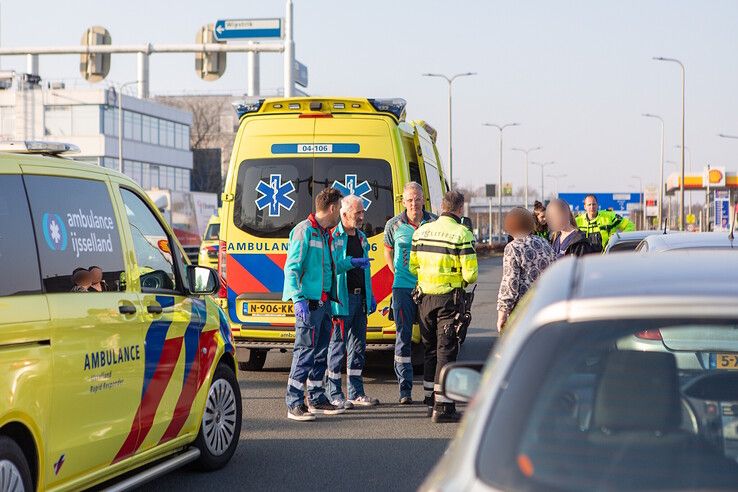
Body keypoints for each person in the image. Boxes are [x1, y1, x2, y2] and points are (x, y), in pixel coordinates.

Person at [283, 188, 371, 422]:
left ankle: (316, 397)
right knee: (304, 352)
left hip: (324, 304)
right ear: (332, 208)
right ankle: (294, 403)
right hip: (309, 304)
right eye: (339, 208)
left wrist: (351, 262)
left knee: (320, 353)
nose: (340, 214)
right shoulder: (305, 232)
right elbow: (291, 269)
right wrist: (297, 298)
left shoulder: (323, 234)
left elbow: (330, 268)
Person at [410, 190, 478, 423]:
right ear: (460, 209)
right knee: (446, 351)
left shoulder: (421, 232)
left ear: (441, 206)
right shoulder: (462, 234)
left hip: (424, 299)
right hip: (449, 299)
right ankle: (444, 407)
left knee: (429, 350)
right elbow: (471, 274)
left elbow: (412, 266)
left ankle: (429, 400)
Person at [383, 182, 436, 405]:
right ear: (403, 202)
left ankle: (430, 390)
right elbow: (388, 251)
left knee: (429, 338)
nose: (414, 203)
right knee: (403, 338)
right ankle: (405, 390)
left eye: (417, 198)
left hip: (429, 288)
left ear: (423, 199)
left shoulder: (434, 222)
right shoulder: (393, 225)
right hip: (403, 288)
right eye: (409, 200)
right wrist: (397, 273)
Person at [326, 195, 379, 409]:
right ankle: (334, 393)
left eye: (362, 212)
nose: (362, 216)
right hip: (342, 300)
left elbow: (366, 271)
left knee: (358, 347)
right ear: (344, 213)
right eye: (358, 213)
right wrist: (350, 262)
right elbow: (333, 265)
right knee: (337, 347)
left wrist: (371, 295)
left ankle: (356, 392)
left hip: (360, 298)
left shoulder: (362, 237)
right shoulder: (333, 237)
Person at [497, 208, 555, 333]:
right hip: (546, 305)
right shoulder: (544, 243)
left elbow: (510, 283)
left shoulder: (513, 248)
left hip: (524, 311)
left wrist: (502, 313)